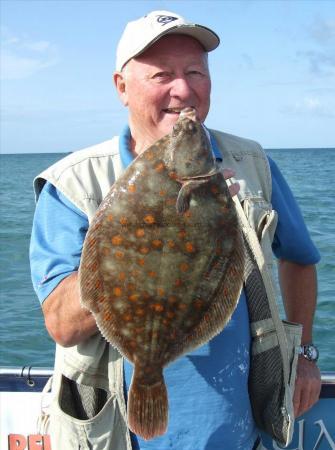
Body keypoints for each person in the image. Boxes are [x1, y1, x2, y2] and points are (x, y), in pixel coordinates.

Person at [30, 10, 321, 450]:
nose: (182, 90)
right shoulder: (73, 183)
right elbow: (62, 326)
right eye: (162, 74)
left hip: (241, 430)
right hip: (115, 435)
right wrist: (133, 241)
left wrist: (304, 356)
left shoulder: (251, 163)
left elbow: (299, 258)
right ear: (121, 87)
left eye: (195, 73)